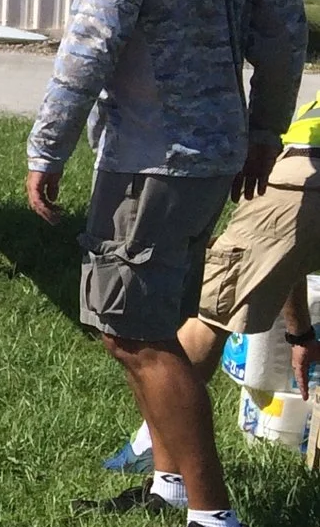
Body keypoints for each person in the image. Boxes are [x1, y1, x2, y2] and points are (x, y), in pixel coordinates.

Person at [25, 0, 306, 527]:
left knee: (137, 332)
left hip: (151, 152)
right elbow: (283, 27)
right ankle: (171, 483)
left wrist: (47, 144)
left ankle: (216, 522)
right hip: (213, 150)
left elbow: (95, 32)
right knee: (142, 326)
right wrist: (264, 126)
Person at [96, 90, 320, 482]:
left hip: (302, 168)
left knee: (213, 312)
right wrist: (300, 333)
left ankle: (156, 449)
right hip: (302, 173)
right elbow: (291, 254)